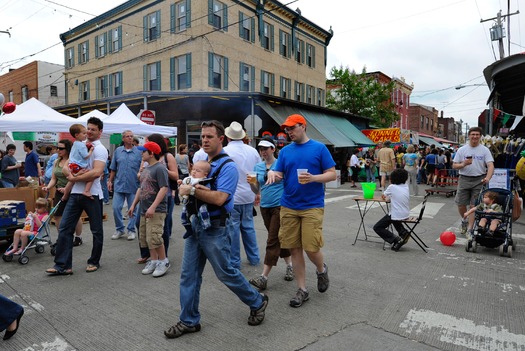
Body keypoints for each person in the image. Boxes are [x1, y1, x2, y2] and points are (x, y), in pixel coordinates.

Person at [164, 120, 268, 339]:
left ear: (222, 139)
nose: (204, 140)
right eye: (202, 136)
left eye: (209, 136)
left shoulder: (228, 166)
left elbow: (221, 199)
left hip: (215, 229)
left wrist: (191, 191)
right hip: (195, 227)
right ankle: (189, 320)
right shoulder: (201, 160)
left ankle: (257, 301)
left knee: (226, 273)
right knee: (188, 276)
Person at [266, 114, 336, 308]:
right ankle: (302, 290)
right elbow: (279, 173)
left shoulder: (319, 148)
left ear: (302, 126)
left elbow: (332, 174)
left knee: (311, 248)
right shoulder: (286, 151)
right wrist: (273, 173)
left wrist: (313, 178)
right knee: (294, 248)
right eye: (286, 129)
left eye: (292, 128)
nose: (288, 132)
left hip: (312, 206)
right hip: (288, 205)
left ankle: (321, 270)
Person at [45, 116, 108, 275]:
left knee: (96, 230)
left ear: (100, 132)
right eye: (88, 128)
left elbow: (97, 171)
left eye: (93, 129)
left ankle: (94, 261)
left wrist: (75, 177)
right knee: (65, 227)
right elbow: (66, 167)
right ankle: (63, 265)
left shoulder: (100, 149)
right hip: (75, 193)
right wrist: (71, 176)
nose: (89, 131)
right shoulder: (78, 146)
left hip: (92, 194)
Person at [248, 138, 293, 291]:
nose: (263, 151)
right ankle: (290, 265)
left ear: (273, 149)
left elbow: (290, 183)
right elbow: (256, 190)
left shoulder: (281, 164)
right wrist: (252, 183)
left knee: (272, 239)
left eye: (266, 148)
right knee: (279, 238)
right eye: (261, 149)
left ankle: (264, 277)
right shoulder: (257, 166)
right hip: (264, 207)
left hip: (280, 206)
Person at [128, 141, 170, 277]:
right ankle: (153, 260)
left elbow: (164, 188)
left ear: (151, 153)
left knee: (155, 236)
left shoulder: (160, 168)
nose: (141, 153)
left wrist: (153, 207)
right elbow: (141, 188)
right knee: (147, 238)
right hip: (144, 209)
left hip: (156, 210)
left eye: (144, 151)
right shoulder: (146, 169)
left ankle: (163, 261)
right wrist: (134, 204)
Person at [224, 121, 261, 268]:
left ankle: (234, 261)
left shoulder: (225, 151)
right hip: (248, 193)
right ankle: (254, 258)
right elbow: (255, 173)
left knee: (232, 230)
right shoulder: (252, 151)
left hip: (232, 196)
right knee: (248, 227)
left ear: (228, 137)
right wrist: (256, 192)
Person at [453, 127, 494, 236]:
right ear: (469, 136)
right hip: (464, 179)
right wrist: (463, 164)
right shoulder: (462, 149)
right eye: (473, 134)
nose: (475, 136)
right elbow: (454, 165)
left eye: (477, 134)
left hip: (479, 180)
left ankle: (470, 229)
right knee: (461, 204)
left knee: (473, 205)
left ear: (480, 136)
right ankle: (464, 220)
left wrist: (488, 178)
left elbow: (490, 165)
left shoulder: (485, 150)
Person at [42, 140, 83, 247]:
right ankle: (62, 238)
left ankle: (78, 237)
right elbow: (53, 178)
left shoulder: (72, 161)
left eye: (61, 148)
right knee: (57, 215)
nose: (58, 150)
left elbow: (74, 177)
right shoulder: (56, 161)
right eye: (57, 148)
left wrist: (66, 188)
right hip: (59, 191)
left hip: (73, 191)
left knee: (75, 216)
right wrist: (48, 187)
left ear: (67, 149)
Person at [108, 130, 142, 241]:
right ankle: (120, 229)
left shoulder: (138, 152)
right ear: (123, 139)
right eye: (127, 136)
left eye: (131, 136)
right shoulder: (118, 151)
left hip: (133, 185)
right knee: (116, 208)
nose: (130, 138)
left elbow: (142, 168)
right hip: (119, 184)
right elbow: (113, 168)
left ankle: (131, 230)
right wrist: (110, 181)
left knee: (133, 209)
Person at [373, 168, 410, 251]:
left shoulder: (392, 187)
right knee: (394, 218)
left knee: (377, 227)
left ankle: (396, 240)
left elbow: (384, 196)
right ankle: (403, 233)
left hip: (396, 214)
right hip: (405, 213)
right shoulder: (406, 186)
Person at [178, 160, 211, 239]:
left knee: (204, 214)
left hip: (200, 203)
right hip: (188, 202)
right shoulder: (189, 179)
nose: (194, 172)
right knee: (183, 216)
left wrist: (201, 187)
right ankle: (188, 229)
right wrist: (180, 183)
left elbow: (210, 190)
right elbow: (183, 184)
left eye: (198, 171)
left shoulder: (204, 181)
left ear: (205, 174)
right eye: (193, 169)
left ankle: (207, 228)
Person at [64, 124, 94, 199]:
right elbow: (86, 156)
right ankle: (86, 191)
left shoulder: (75, 143)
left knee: (71, 181)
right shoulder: (81, 145)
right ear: (77, 135)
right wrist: (91, 151)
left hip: (72, 165)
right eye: (84, 133)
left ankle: (65, 193)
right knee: (91, 177)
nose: (86, 135)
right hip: (78, 166)